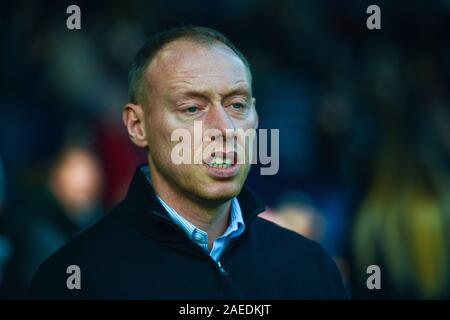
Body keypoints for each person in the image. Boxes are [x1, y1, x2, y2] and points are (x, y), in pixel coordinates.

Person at [29, 26, 347, 299]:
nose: (225, 128)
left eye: (237, 104)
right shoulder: (75, 280)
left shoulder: (312, 268)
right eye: (192, 109)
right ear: (137, 126)